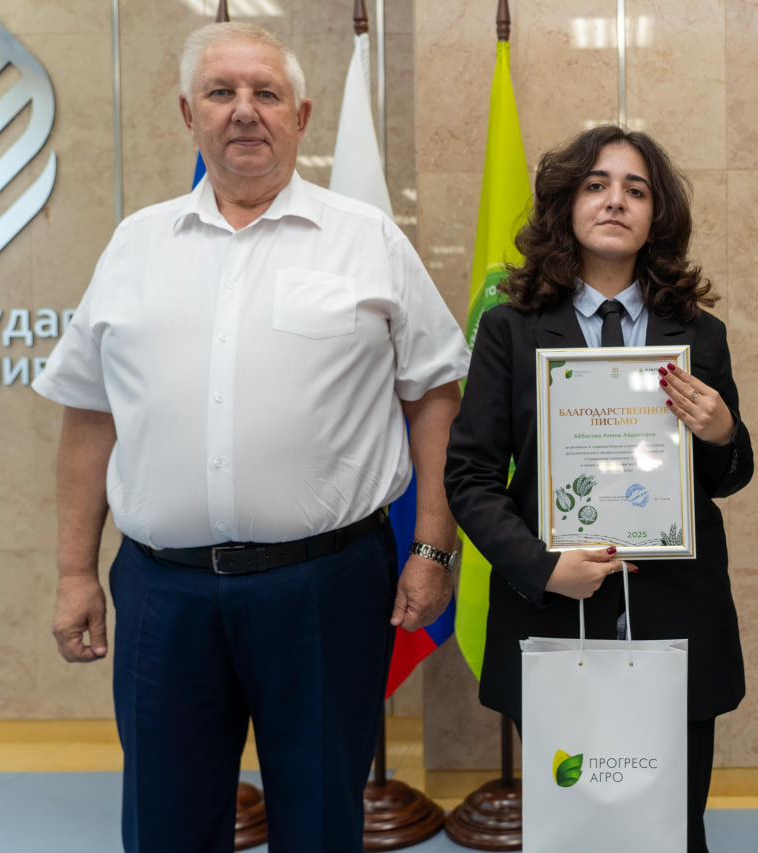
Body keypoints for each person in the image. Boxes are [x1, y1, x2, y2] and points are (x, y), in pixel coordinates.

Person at [33, 22, 470, 853]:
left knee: (320, 825)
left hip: (326, 589)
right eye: (221, 92)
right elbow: (89, 414)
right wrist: (72, 571)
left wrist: (432, 545)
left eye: (266, 93)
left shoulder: (367, 238)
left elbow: (434, 395)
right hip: (164, 593)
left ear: (300, 116)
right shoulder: (134, 245)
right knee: (165, 827)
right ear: (187, 113)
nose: (244, 110)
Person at [444, 124, 753, 853]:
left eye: (635, 190)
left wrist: (722, 433)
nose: (616, 200)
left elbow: (728, 478)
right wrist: (542, 566)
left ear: (656, 216)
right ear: (566, 205)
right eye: (596, 185)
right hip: (552, 615)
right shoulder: (510, 330)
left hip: (677, 619)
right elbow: (471, 476)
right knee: (573, 829)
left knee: (674, 828)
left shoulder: (699, 333)